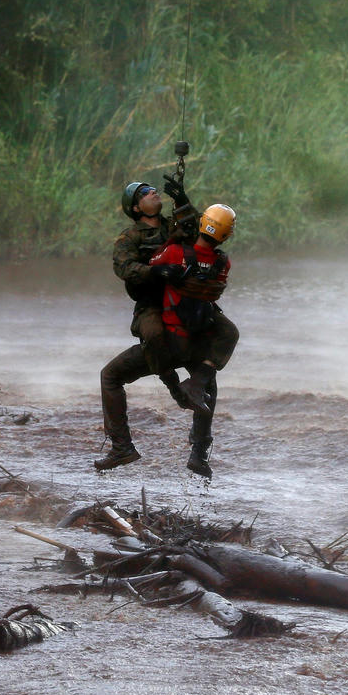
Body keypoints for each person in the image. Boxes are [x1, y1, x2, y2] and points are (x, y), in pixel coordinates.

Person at [96, 204, 240, 477]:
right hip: (199, 338)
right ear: (226, 235)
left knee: (110, 376)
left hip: (170, 338)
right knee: (207, 385)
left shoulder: (173, 252)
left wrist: (172, 241)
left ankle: (122, 446)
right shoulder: (223, 263)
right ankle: (199, 452)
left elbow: (149, 267)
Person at [112, 181, 189, 408]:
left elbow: (195, 232)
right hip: (152, 302)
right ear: (136, 208)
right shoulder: (129, 237)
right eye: (145, 193)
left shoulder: (171, 226)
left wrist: (183, 202)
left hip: (183, 296)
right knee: (154, 335)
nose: (153, 192)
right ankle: (175, 387)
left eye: (153, 189)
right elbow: (123, 268)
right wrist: (155, 271)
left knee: (224, 329)